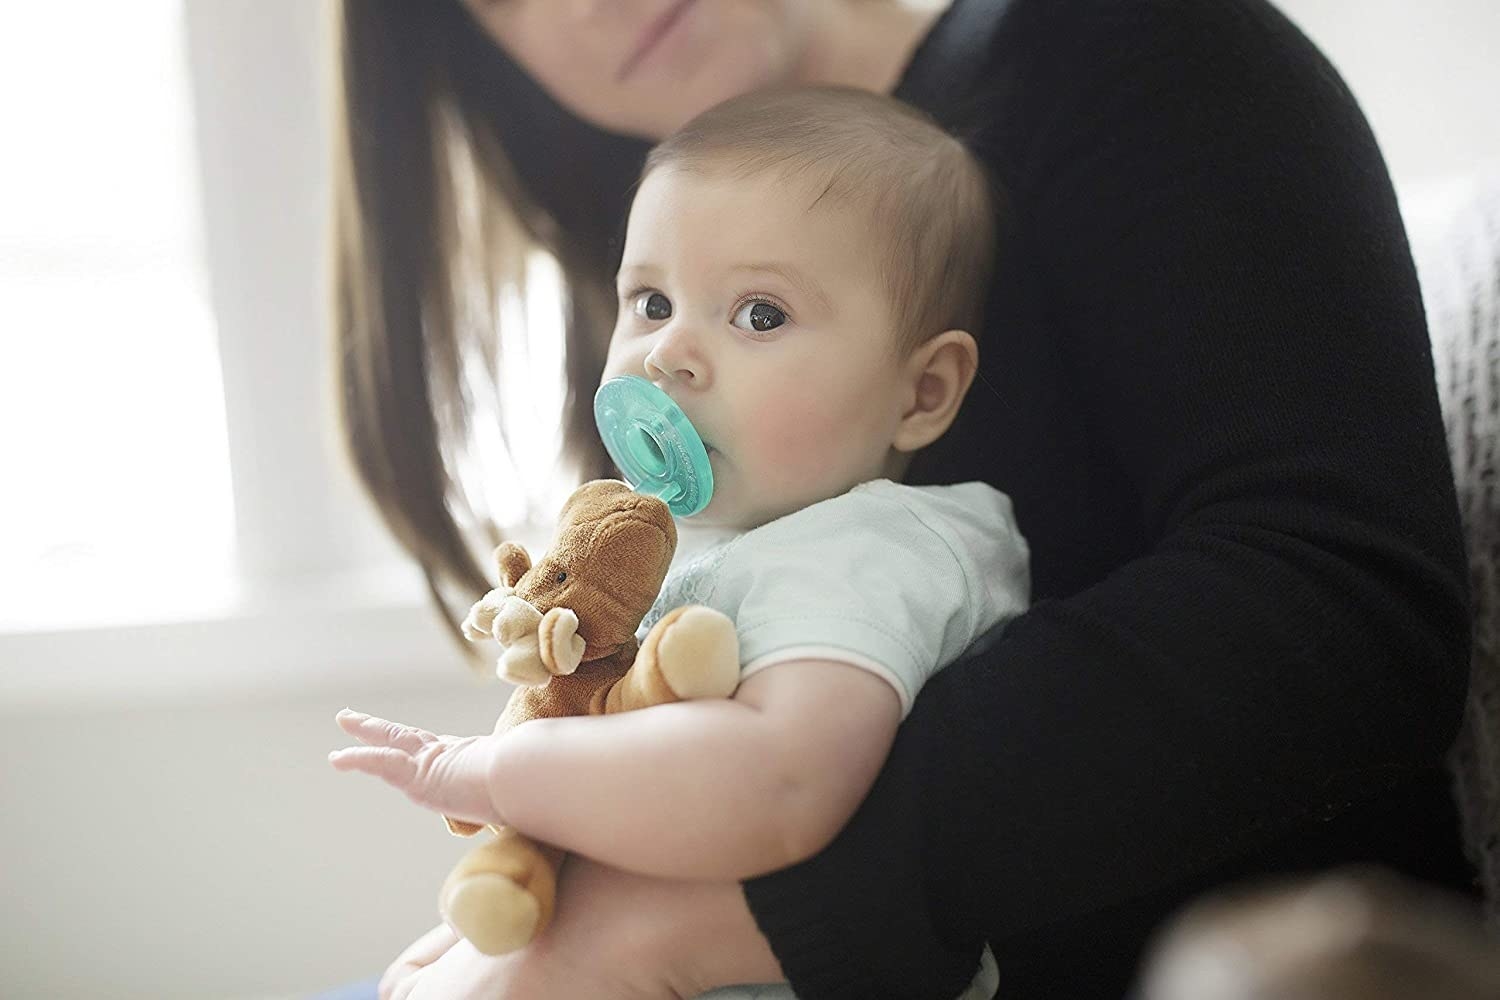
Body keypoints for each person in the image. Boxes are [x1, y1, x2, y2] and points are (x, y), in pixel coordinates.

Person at [328, 1, 1473, 997]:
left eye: (762, 313)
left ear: (930, 385)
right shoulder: (666, 335)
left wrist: (662, 932)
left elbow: (1344, 614)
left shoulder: (1137, 57)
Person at [331, 86, 1031, 1000]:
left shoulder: (868, 550)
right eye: (652, 301)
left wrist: (492, 771)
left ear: (922, 392)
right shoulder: (676, 544)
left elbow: (773, 787)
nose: (667, 355)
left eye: (760, 314)